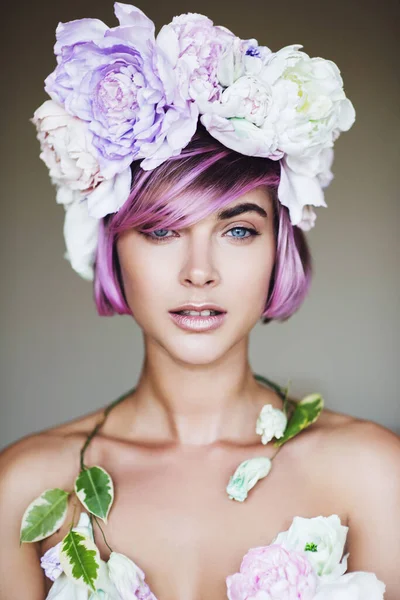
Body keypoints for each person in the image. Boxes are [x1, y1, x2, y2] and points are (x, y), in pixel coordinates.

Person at [1, 4, 399, 600]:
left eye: (238, 230)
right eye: (162, 230)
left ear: (277, 248)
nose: (198, 272)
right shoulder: (25, 485)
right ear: (114, 244)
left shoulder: (372, 473)